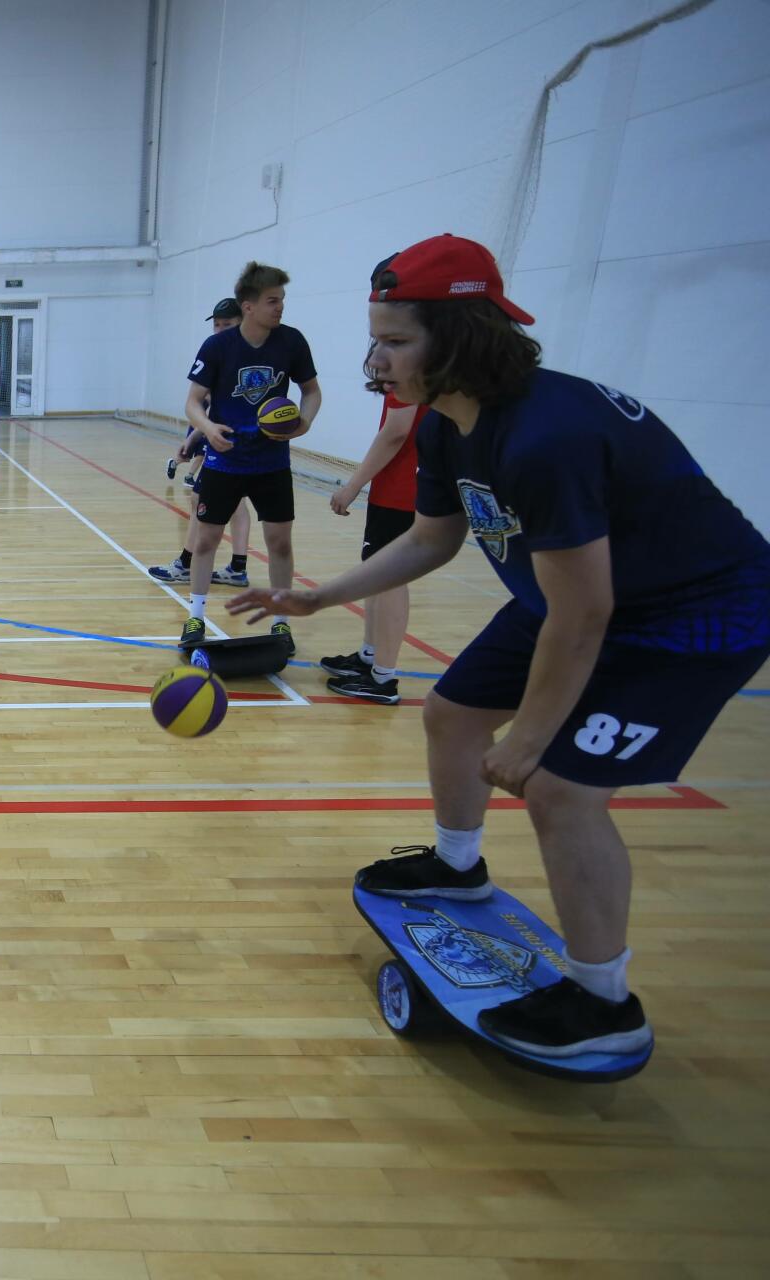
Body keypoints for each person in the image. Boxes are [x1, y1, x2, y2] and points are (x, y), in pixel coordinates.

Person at [231, 233, 770, 1057]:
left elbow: (584, 616)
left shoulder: (547, 435)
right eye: (375, 338)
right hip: (575, 596)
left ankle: (603, 1005)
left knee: (560, 790)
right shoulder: (447, 424)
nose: (375, 360)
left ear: (461, 339)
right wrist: (319, 596)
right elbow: (432, 539)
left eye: (396, 341)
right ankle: (457, 867)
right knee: (450, 714)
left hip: (690, 616)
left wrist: (531, 737)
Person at [180, 262, 321, 651]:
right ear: (249, 306)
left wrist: (305, 422)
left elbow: (311, 391)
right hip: (224, 460)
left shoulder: (291, 342)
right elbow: (193, 402)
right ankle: (195, 617)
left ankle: (281, 623)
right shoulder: (218, 346)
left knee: (280, 543)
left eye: (282, 299)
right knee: (206, 540)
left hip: (272, 461)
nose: (280, 307)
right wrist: (208, 429)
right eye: (272, 300)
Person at [321, 391, 422, 703]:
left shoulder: (410, 371)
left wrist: (352, 486)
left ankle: (383, 678)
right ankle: (370, 657)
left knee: (391, 577)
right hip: (395, 483)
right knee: (377, 571)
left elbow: (396, 432)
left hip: (405, 487)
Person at [153, 298, 252, 587]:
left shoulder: (243, 357)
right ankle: (237, 567)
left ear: (242, 322)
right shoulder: (219, 353)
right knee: (233, 503)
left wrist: (197, 435)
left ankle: (187, 563)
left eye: (227, 324)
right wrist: (195, 437)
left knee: (205, 500)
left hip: (234, 442)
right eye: (216, 325)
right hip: (219, 436)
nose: (220, 330)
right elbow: (209, 405)